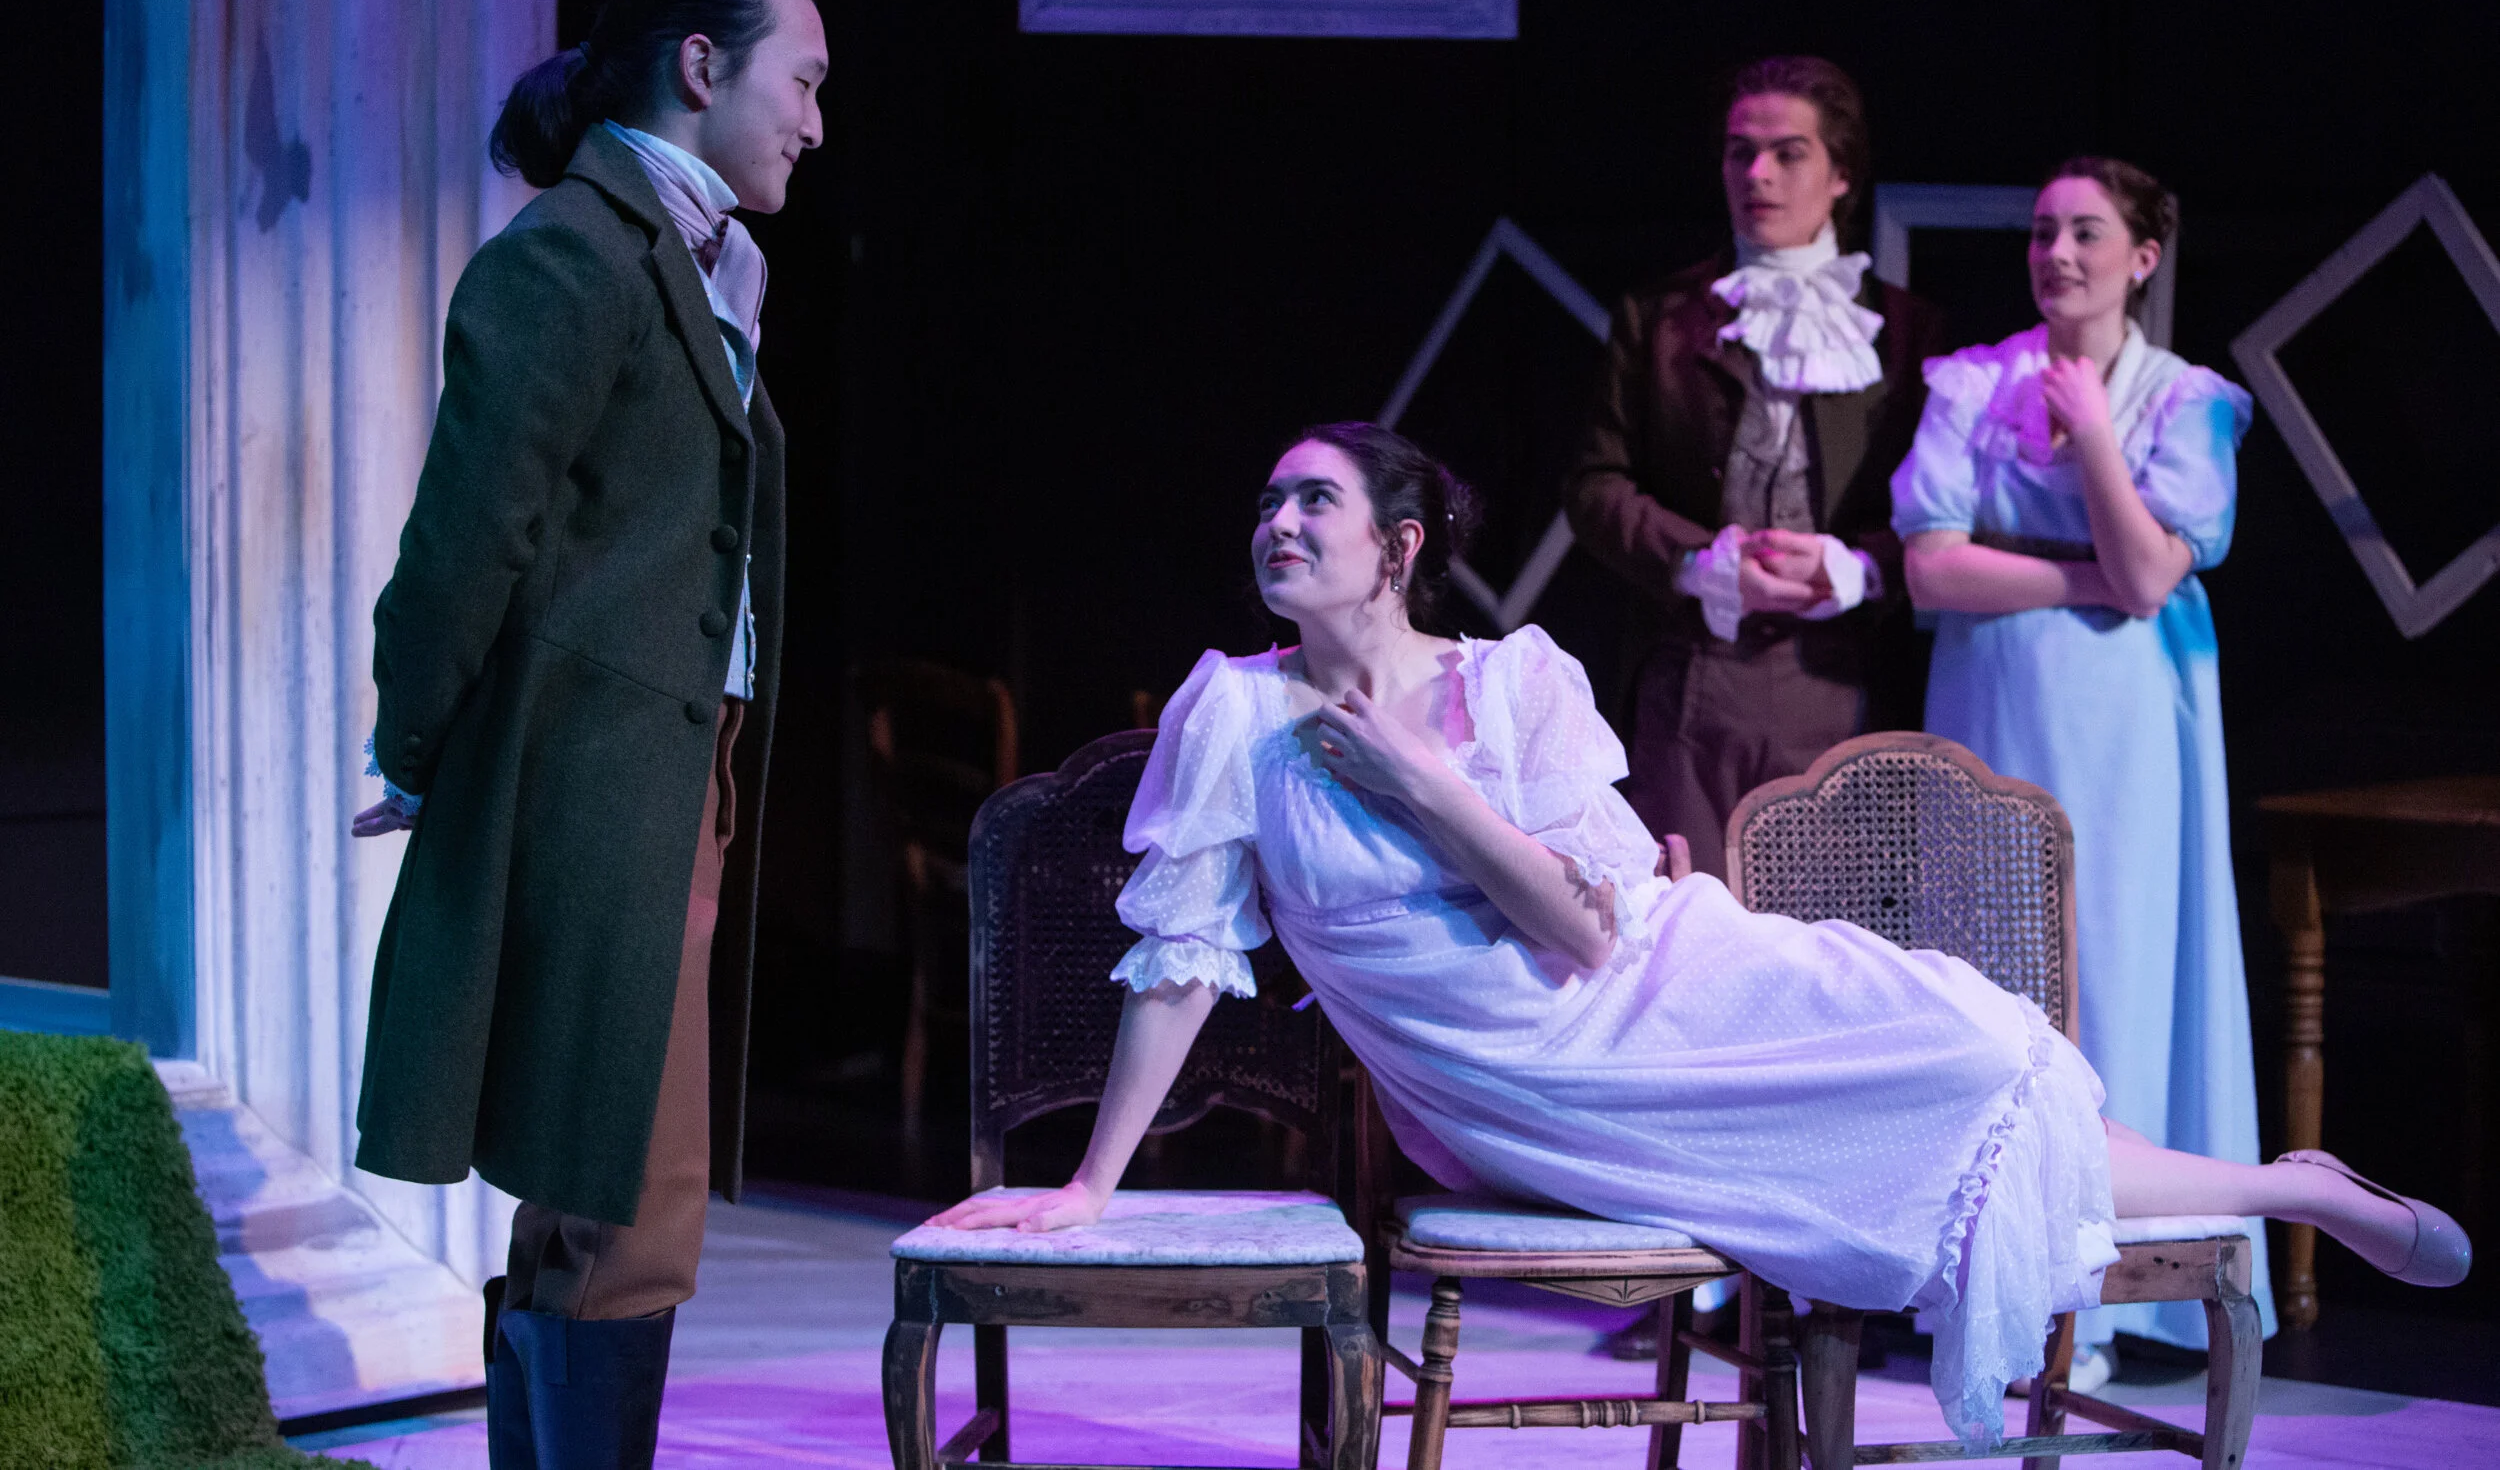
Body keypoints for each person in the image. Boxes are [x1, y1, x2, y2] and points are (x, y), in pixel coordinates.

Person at [930, 421, 2467, 1451]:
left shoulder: (1514, 684)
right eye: (1267, 503)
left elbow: (1591, 932)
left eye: (1311, 500)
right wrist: (1092, 1179)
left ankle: (2292, 1186)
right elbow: (1182, 960)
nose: (1276, 522)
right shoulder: (1233, 710)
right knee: (1928, 1093)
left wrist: (1427, 787)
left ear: (1397, 544)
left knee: (1964, 1048)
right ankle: (2285, 1185)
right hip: (1509, 1083)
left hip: (1649, 987)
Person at [349, 0, 824, 1468]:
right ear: (701, 65)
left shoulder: (699, 263)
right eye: (802, 82)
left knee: (591, 1184)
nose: (815, 123)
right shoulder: (576, 253)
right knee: (627, 1195)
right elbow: (465, 531)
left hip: (675, 764)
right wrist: (418, 739)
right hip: (596, 773)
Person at [1891, 158, 2271, 1377]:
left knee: (2110, 964)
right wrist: (2087, 575)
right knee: (1994, 973)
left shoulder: (2184, 399)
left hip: (2126, 717)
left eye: (2085, 233)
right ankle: (1983, 1283)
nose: (2056, 253)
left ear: (2142, 256)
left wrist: (2096, 433)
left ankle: (2101, 1299)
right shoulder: (1972, 380)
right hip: (1994, 697)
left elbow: (2154, 573)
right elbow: (1931, 564)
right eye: (2043, 231)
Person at [1567, 56, 1948, 885]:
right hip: (1696, 665)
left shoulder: (1908, 332)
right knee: (1686, 918)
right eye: (1741, 152)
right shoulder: (1659, 319)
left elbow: (1950, 512)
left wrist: (1860, 566)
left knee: (1829, 927)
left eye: (1788, 153)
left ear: (1841, 174)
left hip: (1842, 674)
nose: (1758, 174)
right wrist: (1698, 560)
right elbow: (1596, 487)